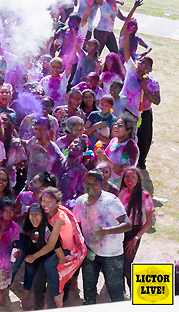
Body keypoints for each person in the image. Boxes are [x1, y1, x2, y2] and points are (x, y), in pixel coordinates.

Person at [72, 170, 131, 304]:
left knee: (115, 290)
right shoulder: (80, 202)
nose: (91, 186)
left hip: (112, 255)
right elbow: (77, 227)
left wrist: (106, 231)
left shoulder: (111, 201)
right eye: (87, 183)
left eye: (95, 184)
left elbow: (127, 225)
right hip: (90, 253)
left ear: (102, 184)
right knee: (89, 288)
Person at [118, 53, 159, 169]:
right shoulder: (131, 73)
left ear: (149, 69)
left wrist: (146, 90)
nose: (140, 63)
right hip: (129, 111)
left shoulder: (153, 82)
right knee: (127, 134)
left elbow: (156, 101)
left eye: (144, 62)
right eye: (140, 61)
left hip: (144, 113)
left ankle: (141, 161)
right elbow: (125, 49)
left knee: (144, 138)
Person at [117, 166, 153, 291]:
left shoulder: (145, 196)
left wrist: (136, 238)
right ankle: (120, 293)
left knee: (127, 265)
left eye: (133, 177)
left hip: (134, 232)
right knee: (118, 263)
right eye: (127, 176)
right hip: (120, 231)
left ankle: (136, 294)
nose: (129, 179)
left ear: (138, 179)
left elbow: (149, 222)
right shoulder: (122, 192)